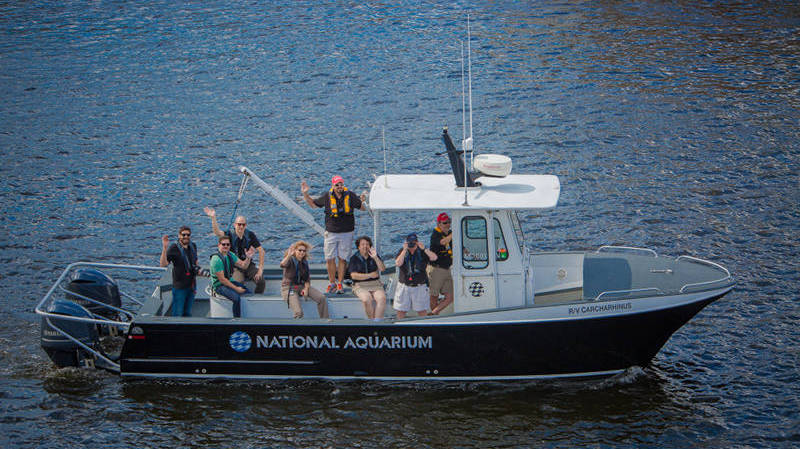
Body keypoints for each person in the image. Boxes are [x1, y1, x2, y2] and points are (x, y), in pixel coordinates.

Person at [301, 175, 367, 294]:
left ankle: (340, 283)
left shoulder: (350, 195)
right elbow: (313, 205)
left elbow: (362, 208)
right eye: (337, 184)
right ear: (333, 186)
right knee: (330, 258)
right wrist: (305, 194)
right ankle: (332, 283)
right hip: (331, 233)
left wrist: (364, 200)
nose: (339, 186)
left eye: (341, 184)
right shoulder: (327, 196)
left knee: (342, 259)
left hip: (347, 233)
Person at [203, 207, 266, 294]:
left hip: (248, 264)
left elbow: (261, 251)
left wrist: (260, 270)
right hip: (235, 266)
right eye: (239, 224)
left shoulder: (250, 235)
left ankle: (256, 299)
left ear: (246, 226)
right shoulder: (229, 234)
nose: (241, 227)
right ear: (235, 225)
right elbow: (217, 232)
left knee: (261, 281)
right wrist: (213, 218)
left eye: (243, 225)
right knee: (238, 283)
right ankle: (240, 301)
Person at [280, 241, 329, 319]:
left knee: (321, 298)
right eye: (300, 250)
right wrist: (289, 255)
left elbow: (307, 279)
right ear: (295, 250)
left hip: (300, 286)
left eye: (304, 251)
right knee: (298, 312)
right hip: (289, 288)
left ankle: (325, 321)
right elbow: (282, 264)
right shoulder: (290, 260)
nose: (302, 252)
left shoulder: (304, 263)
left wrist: (306, 289)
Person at [393, 233, 438, 319]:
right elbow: (398, 263)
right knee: (401, 311)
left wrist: (424, 249)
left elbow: (434, 258)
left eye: (414, 242)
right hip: (404, 286)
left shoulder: (422, 252)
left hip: (419, 286)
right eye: (410, 242)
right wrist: (404, 250)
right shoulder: (402, 251)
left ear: (417, 242)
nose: (412, 244)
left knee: (422, 311)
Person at [210, 235, 255, 318]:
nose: (226, 246)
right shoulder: (216, 260)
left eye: (228, 244)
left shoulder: (230, 255)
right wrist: (236, 289)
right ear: (218, 245)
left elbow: (243, 266)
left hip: (229, 281)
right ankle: (236, 319)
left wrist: (248, 258)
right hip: (219, 286)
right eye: (223, 244)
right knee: (236, 298)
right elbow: (222, 280)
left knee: (248, 292)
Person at [159, 226, 200, 317]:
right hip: (180, 287)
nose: (186, 237)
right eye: (183, 235)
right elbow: (163, 264)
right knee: (178, 313)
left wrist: (198, 270)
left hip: (192, 286)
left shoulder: (193, 246)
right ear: (179, 236)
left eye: (188, 235)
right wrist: (164, 248)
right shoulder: (174, 248)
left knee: (188, 312)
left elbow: (195, 261)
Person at [347, 236, 387, 320]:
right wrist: (370, 275)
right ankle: (371, 321)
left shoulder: (374, 256)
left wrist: (375, 257)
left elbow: (382, 269)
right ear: (358, 247)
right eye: (362, 244)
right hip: (360, 285)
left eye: (367, 244)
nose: (365, 246)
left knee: (382, 298)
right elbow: (353, 275)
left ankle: (377, 322)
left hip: (375, 284)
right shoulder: (354, 258)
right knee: (366, 299)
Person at [428, 212, 454, 315]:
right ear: (439, 224)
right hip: (436, 270)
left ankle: (433, 314)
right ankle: (434, 317)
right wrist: (454, 233)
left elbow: (453, 244)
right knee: (434, 296)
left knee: (450, 297)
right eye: (445, 223)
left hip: (447, 269)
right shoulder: (435, 234)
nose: (448, 224)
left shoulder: (449, 233)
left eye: (449, 222)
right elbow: (443, 242)